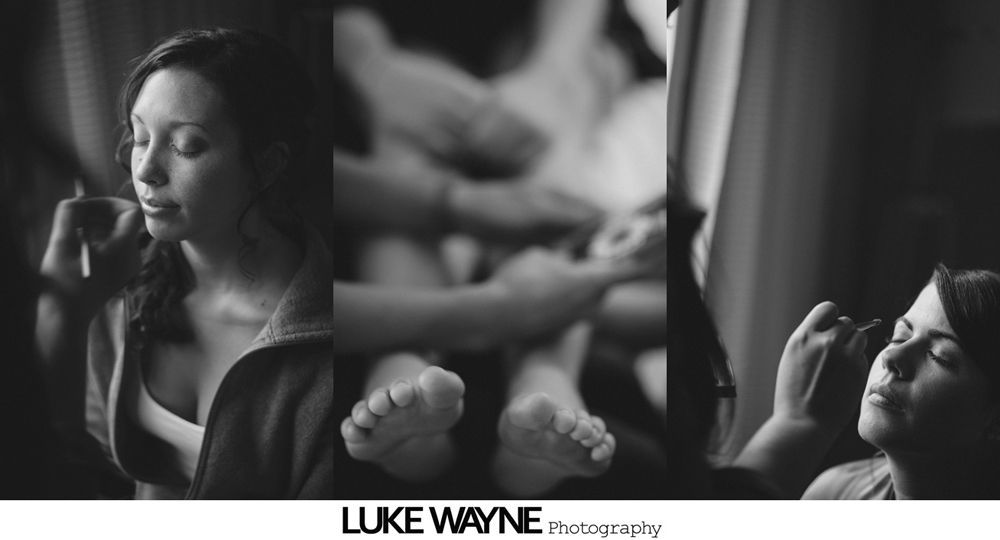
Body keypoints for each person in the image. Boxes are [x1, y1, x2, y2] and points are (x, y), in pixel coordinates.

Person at [35, 28, 331, 499]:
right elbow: (82, 463)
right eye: (139, 137)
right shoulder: (121, 283)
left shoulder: (322, 341)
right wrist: (64, 316)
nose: (146, 171)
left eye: (186, 146)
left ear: (268, 164)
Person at [803, 265, 1000, 499]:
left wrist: (797, 421)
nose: (890, 356)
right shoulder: (832, 495)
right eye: (899, 337)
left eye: (939, 356)